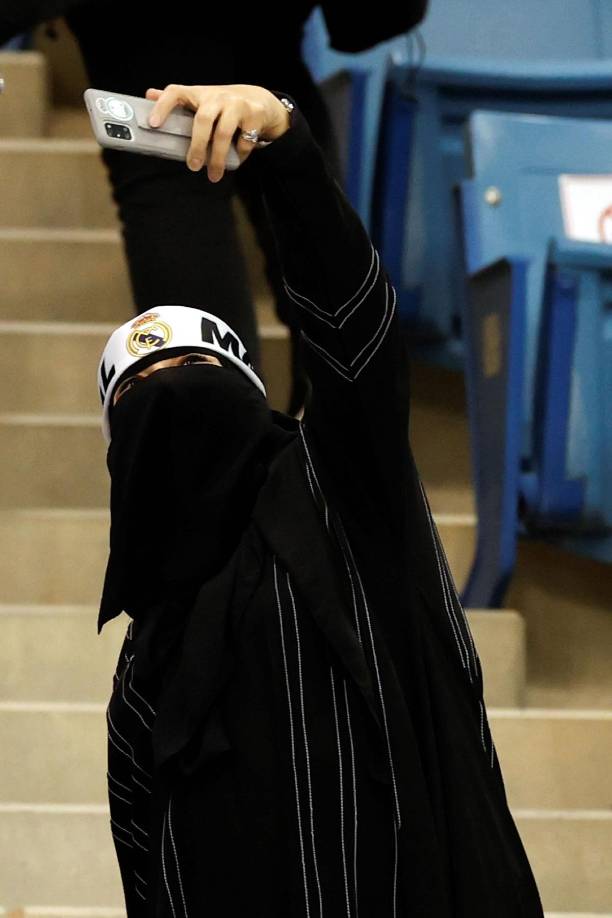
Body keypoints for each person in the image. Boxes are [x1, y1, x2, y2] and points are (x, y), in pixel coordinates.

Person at [97, 82, 544, 916]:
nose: (173, 399)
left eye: (197, 373)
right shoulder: (142, 677)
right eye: (143, 390)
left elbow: (355, 336)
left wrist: (285, 148)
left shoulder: (340, 502)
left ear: (252, 402)